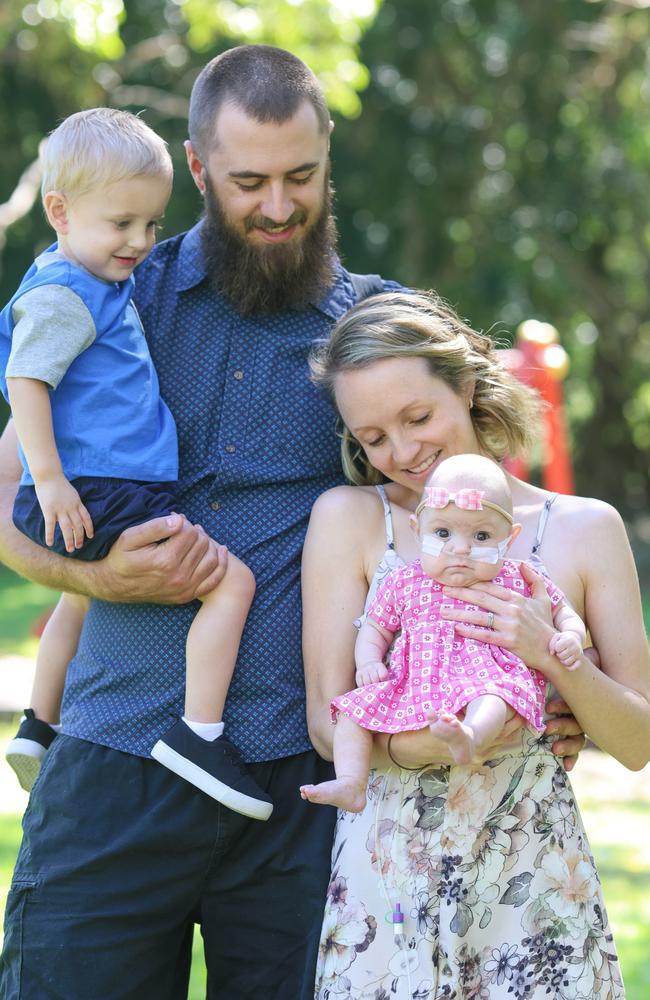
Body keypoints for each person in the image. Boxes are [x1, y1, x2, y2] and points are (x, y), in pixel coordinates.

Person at [0, 45, 409, 1000]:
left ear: (328, 156)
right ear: (196, 169)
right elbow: (6, 505)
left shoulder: (380, 334)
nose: (277, 206)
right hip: (113, 756)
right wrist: (96, 579)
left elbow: (470, 525)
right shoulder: (108, 290)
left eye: (301, 177)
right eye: (249, 182)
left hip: (306, 789)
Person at [302, 289, 650, 998]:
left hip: (531, 868)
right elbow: (325, 714)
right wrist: (436, 742)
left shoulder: (584, 528)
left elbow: (638, 740)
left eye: (418, 417)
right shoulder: (350, 519)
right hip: (390, 871)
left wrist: (553, 655)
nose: (402, 453)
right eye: (372, 438)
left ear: (464, 385)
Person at [0, 107, 272, 820]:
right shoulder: (64, 294)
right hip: (98, 485)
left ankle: (37, 722)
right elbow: (25, 380)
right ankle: (199, 733)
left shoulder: (83, 278)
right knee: (232, 584)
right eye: (121, 224)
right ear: (58, 212)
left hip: (96, 486)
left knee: (79, 597)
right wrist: (50, 479)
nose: (141, 243)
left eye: (152, 225)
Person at [300, 454, 586, 811]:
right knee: (351, 711)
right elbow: (376, 626)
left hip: (486, 676)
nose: (460, 548)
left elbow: (563, 611)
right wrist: (368, 660)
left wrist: (570, 636)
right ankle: (351, 782)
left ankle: (471, 738)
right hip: (413, 683)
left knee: (495, 697)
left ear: (509, 538)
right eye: (443, 533)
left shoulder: (518, 577)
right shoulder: (404, 580)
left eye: (481, 536)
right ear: (417, 530)